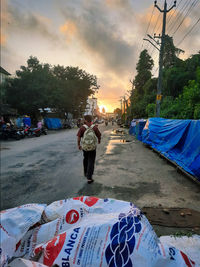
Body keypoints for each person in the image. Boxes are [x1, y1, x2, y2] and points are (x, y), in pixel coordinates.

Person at [77, 115, 101, 184]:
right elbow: (99, 135)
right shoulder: (94, 127)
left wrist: (79, 145)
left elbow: (78, 138)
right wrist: (99, 140)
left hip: (85, 147)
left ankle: (85, 173)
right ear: (91, 120)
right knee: (91, 161)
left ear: (85, 120)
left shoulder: (82, 128)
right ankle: (89, 178)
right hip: (92, 147)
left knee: (85, 159)